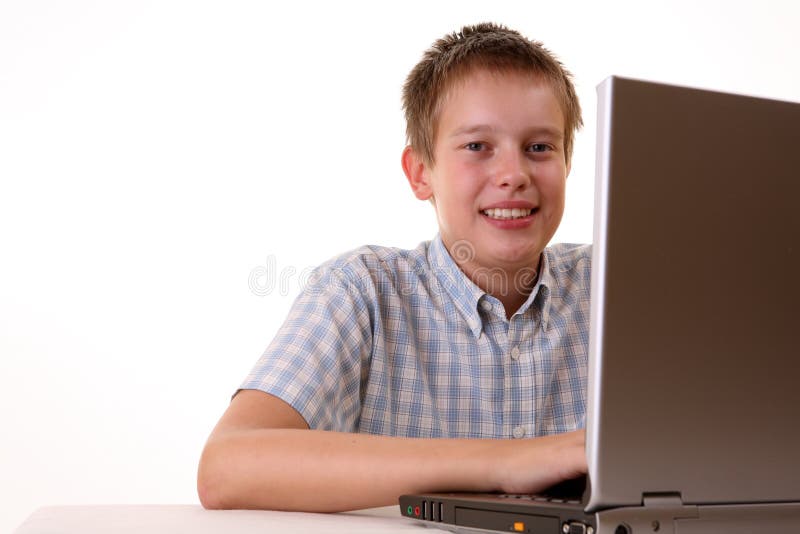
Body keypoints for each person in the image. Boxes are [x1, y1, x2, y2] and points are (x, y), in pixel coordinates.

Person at [197, 22, 591, 512]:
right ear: (421, 173)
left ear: (568, 164)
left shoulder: (617, 287)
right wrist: (504, 463)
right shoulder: (361, 291)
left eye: (539, 147)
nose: (514, 174)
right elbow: (226, 467)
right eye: (477, 146)